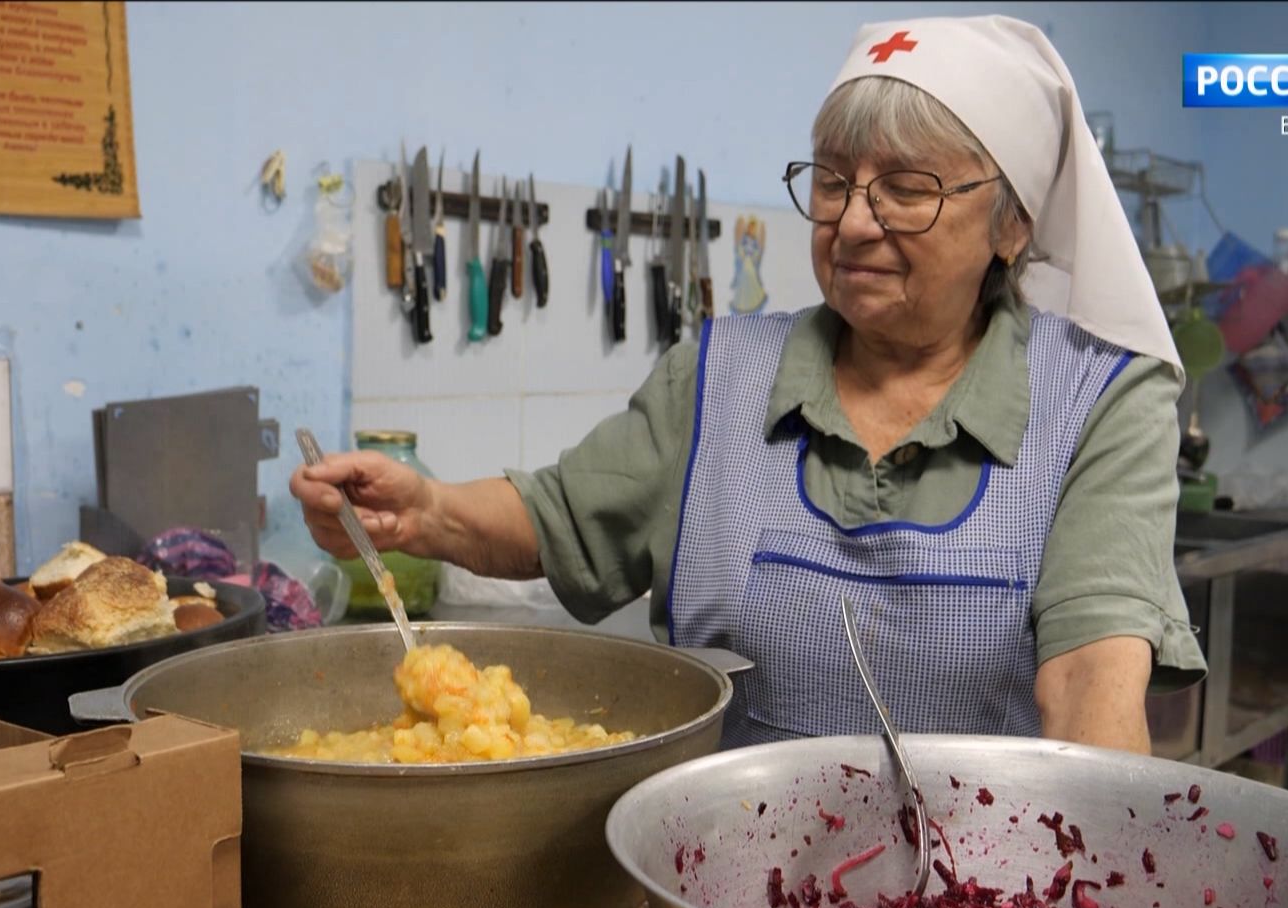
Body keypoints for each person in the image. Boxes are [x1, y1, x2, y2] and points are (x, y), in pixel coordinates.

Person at [291, 15, 1205, 754]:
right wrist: (426, 513)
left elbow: (1093, 677)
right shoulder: (720, 373)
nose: (852, 224)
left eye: (907, 188)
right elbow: (565, 520)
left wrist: (1088, 900)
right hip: (733, 879)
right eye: (834, 181)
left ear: (1012, 224)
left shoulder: (1100, 403)